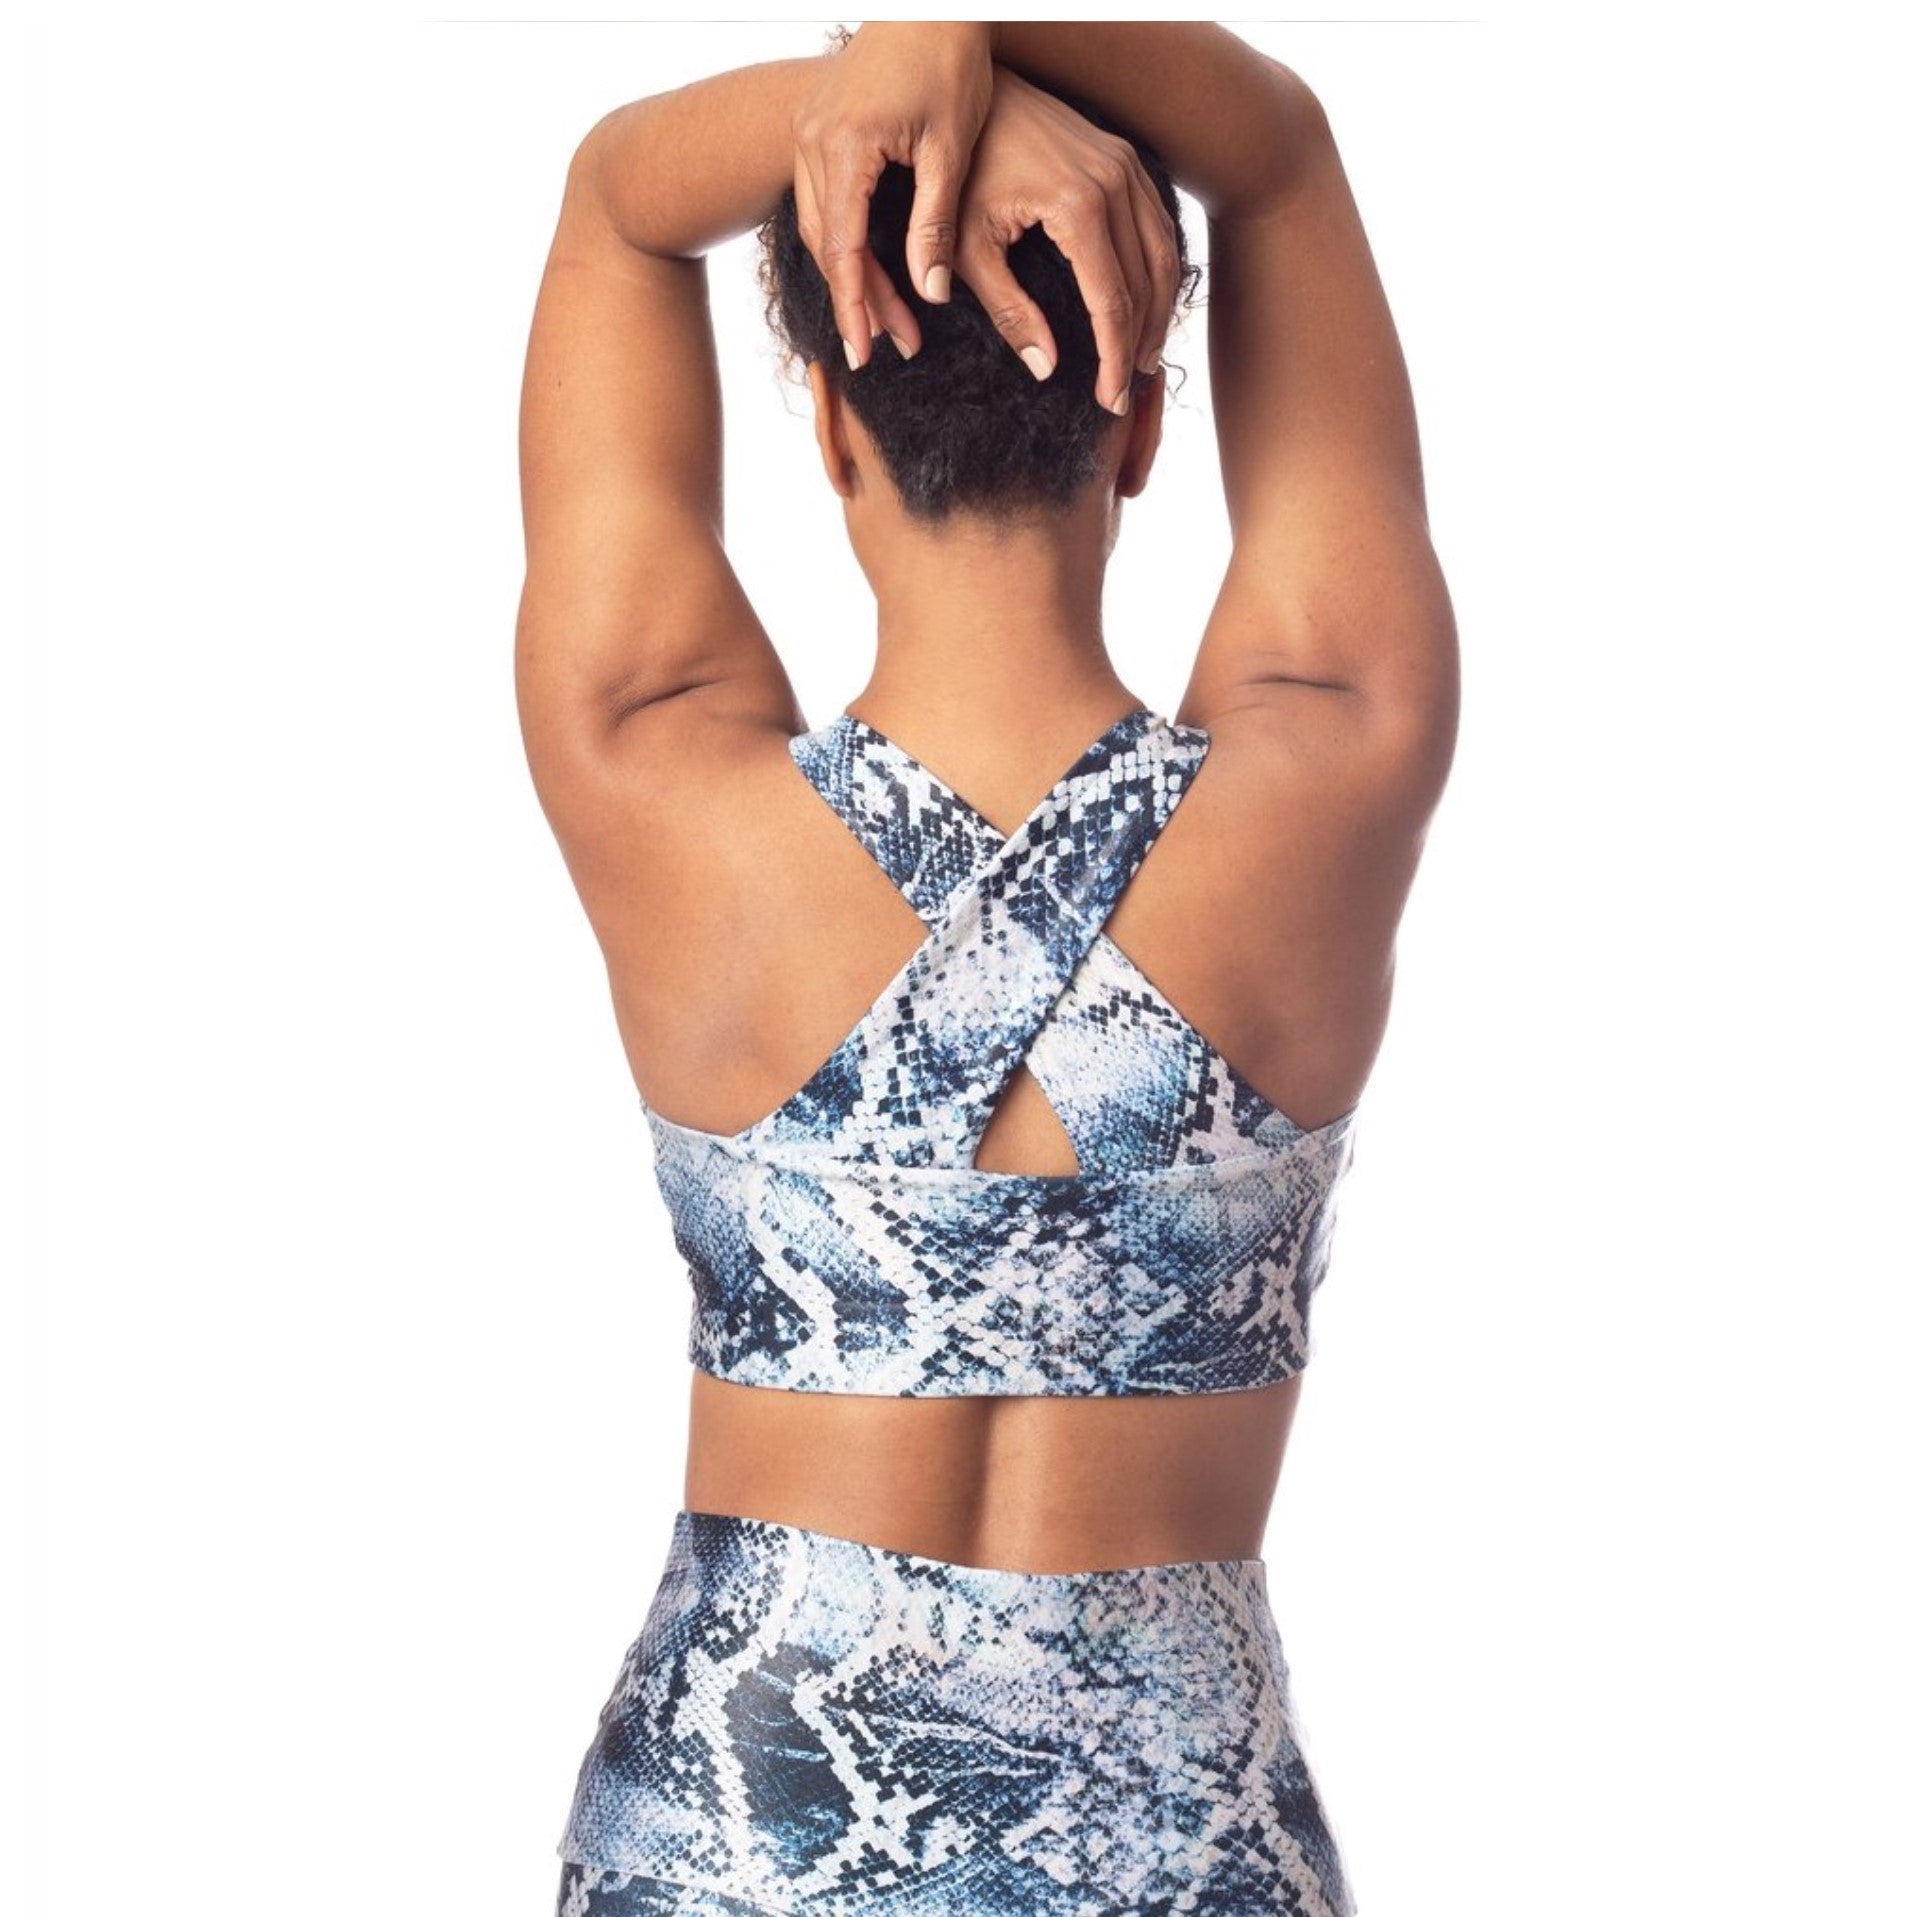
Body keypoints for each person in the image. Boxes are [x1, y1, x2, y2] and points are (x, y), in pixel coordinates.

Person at [516, 22, 1456, 1916]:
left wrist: (884, 78)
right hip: (1180, 1850)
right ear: (1142, 422)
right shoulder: (1333, 758)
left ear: (826, 427)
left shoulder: (657, 777)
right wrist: (971, 34)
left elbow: (618, 202)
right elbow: (1278, 154)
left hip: (740, 1834)